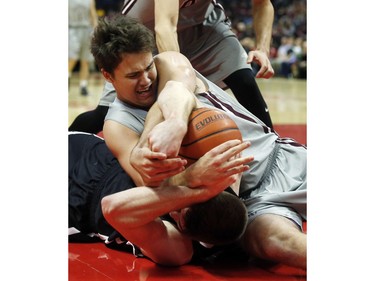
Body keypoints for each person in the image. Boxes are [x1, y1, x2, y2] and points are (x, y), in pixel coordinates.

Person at [91, 15, 307, 269]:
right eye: (134, 74)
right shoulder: (117, 126)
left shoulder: (169, 62)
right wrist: (192, 176)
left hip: (278, 157)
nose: (147, 79)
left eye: (147, 67)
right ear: (108, 75)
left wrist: (174, 124)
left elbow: (177, 91)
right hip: (246, 203)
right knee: (280, 244)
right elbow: (155, 187)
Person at [68, 0, 275, 133]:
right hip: (144, 35)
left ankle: (276, 148)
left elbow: (263, 3)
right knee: (105, 114)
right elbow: (165, 27)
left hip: (203, 26)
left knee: (245, 81)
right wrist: (183, 85)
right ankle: (69, 141)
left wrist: (263, 49)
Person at [69, 131, 251, 266]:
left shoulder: (178, 250)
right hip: (97, 155)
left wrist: (195, 190)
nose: (172, 208)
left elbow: (111, 206)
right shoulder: (227, 183)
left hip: (77, 201)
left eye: (179, 208)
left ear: (183, 226)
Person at [68, 0, 98, 96]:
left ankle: (83, 85)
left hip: (87, 29)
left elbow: (93, 14)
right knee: (72, 58)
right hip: (72, 29)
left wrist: (96, 30)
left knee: (85, 60)